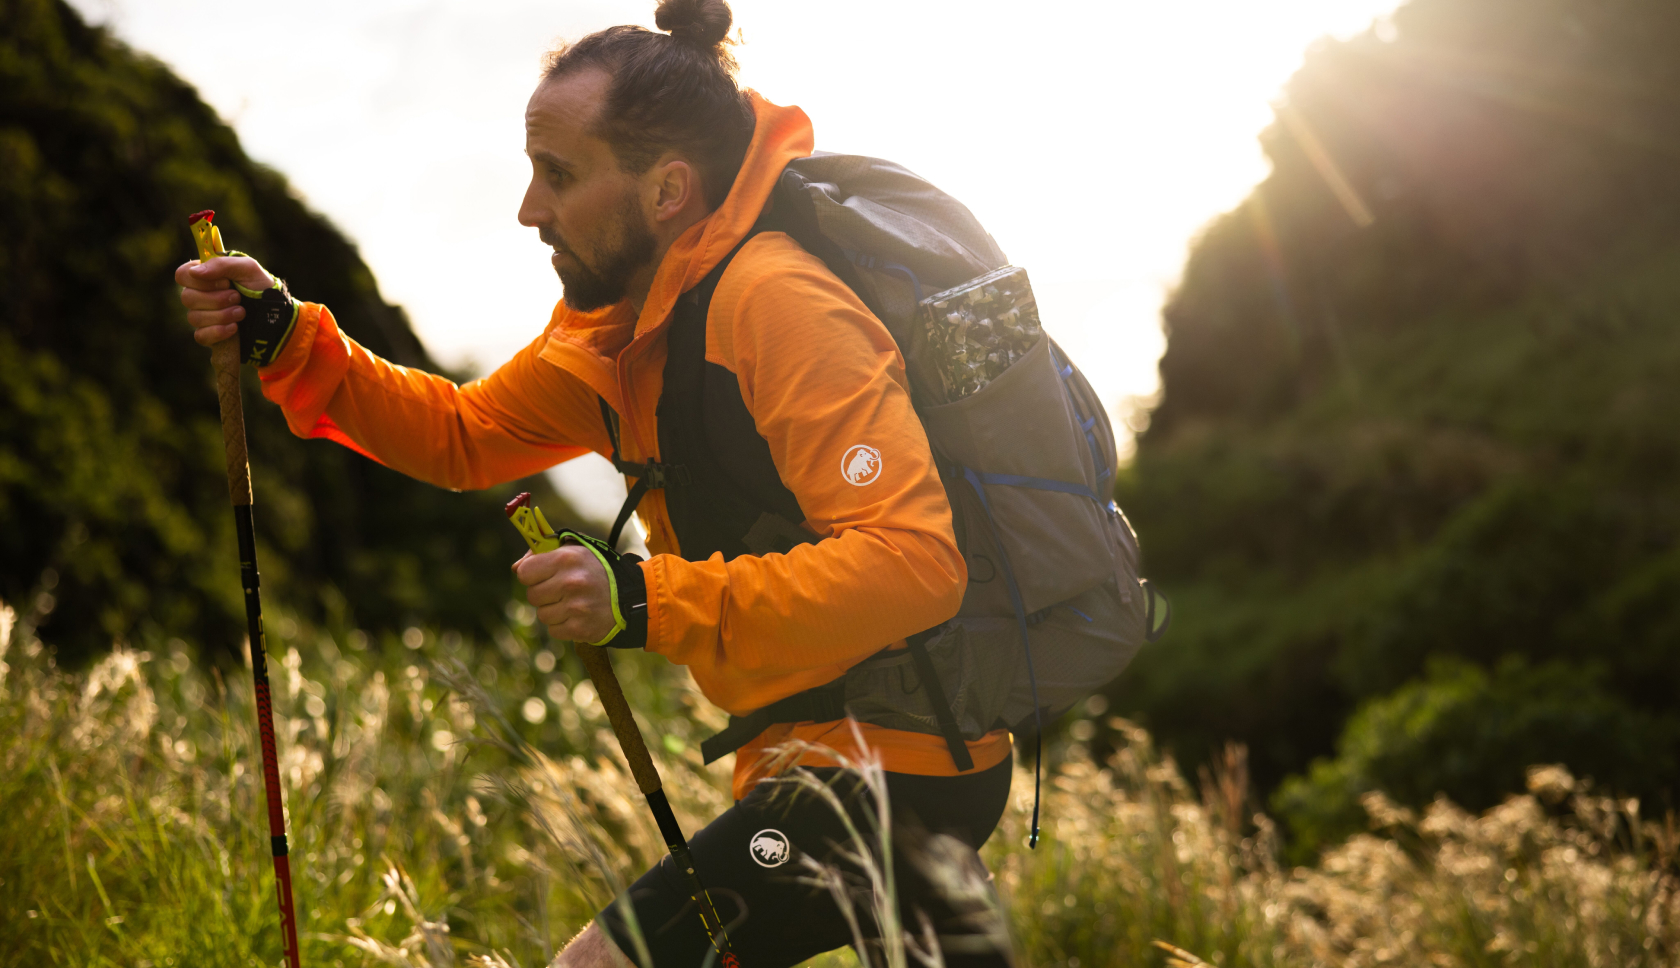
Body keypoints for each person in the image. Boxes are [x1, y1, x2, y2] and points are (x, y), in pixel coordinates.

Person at [176, 0, 1016, 963]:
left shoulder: (778, 308)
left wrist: (641, 596)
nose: (530, 209)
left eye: (559, 176)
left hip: (897, 770)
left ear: (667, 190)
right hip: (804, 757)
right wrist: (289, 337)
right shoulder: (616, 334)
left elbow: (916, 567)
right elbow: (463, 434)